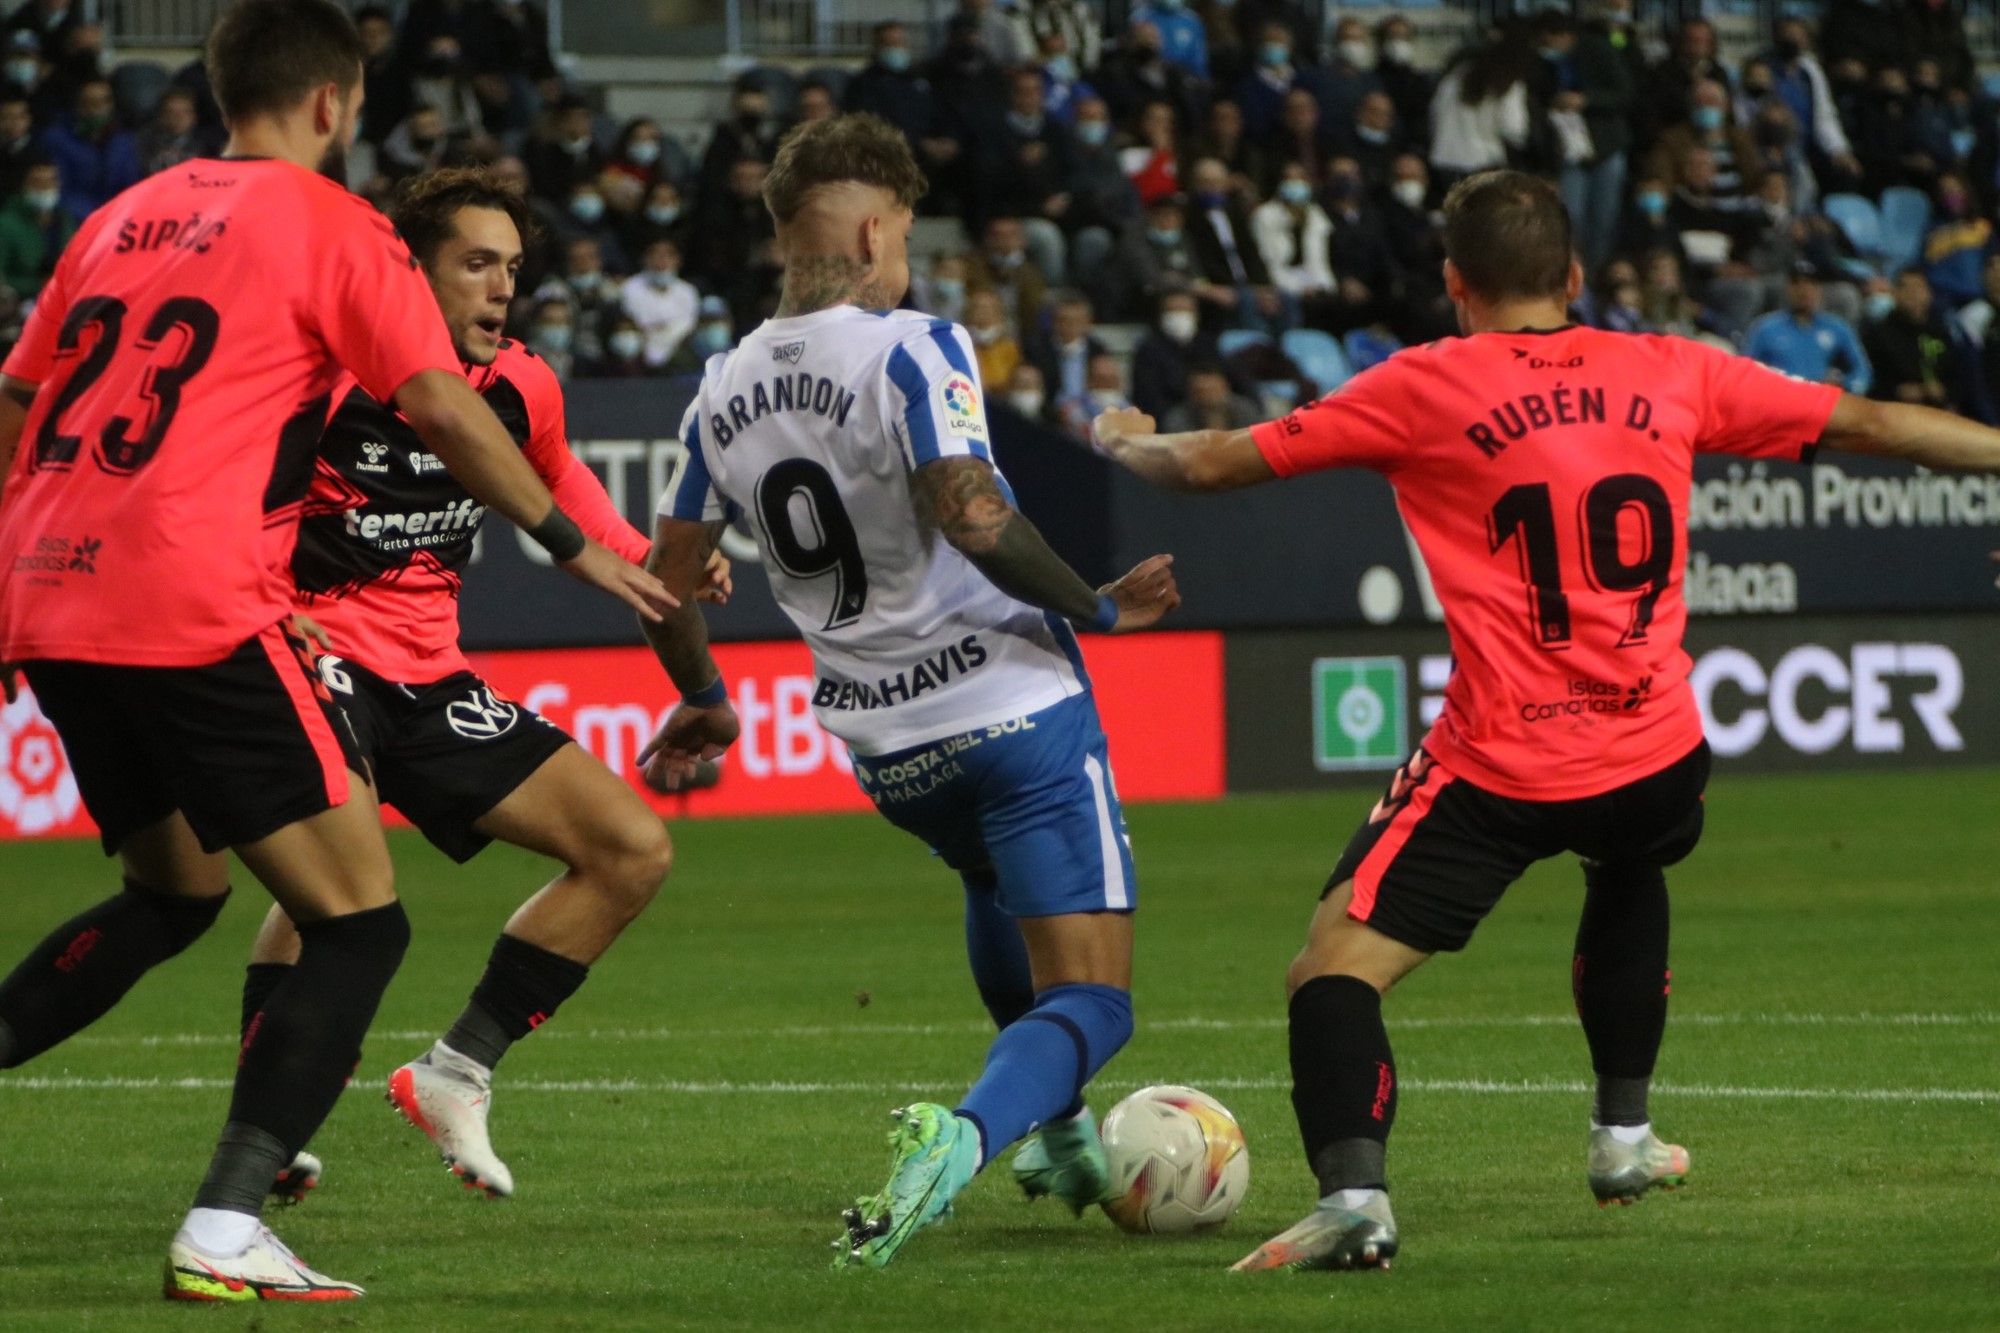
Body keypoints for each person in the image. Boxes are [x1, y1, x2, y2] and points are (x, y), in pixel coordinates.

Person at [1087, 167, 2000, 1271]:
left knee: (1329, 972)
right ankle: (1621, 1134)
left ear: (1451, 283)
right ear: (1572, 275)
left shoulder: (1421, 383)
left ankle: (1354, 1200)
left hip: (1504, 760)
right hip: (1654, 747)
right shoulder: (1669, 367)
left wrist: (1121, 440)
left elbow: (1209, 463)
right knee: (1627, 863)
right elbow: (1874, 422)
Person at [0, 0, 670, 1303]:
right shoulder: (332, 225)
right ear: (331, 104)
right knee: (357, 921)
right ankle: (225, 1220)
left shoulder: (116, 219)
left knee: (177, 891)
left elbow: (22, 393)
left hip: (51, 591)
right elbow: (435, 401)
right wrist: (561, 536)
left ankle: (253, 1176)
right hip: (191, 604)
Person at [643, 113, 1180, 1270]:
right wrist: (1094, 604)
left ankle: (1059, 1128)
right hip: (1011, 711)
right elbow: (974, 514)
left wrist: (708, 696)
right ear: (877, 226)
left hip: (888, 751)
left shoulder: (717, 387)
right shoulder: (910, 345)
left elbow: (667, 581)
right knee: (1098, 1003)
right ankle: (968, 1135)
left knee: (990, 878)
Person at [238, 167, 719, 1202]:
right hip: (316, 659)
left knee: (630, 850)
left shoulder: (521, 384)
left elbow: (564, 492)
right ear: (409, 272)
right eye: (474, 263)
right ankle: (264, 1122)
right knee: (335, 881)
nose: (502, 287)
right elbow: (229, 506)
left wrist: (649, 556)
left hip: (430, 675)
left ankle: (454, 1072)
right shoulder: (318, 380)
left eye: (510, 266)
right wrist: (271, 606)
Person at [1745, 265, 1872, 393]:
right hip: (1778, 399)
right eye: (1796, 283)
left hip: (1819, 402)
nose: (1803, 290)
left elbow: (1862, 370)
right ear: (1787, 289)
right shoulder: (1765, 327)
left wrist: (1846, 387)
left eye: (1811, 283)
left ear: (1819, 289)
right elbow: (1745, 370)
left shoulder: (1836, 327)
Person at [1865, 267, 1967, 412]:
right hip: (1895, 411)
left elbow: (1960, 378)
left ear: (1929, 294)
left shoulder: (1941, 332)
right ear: (1895, 294)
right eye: (1906, 288)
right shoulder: (1878, 335)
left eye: (1919, 287)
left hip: (1940, 412)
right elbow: (1869, 381)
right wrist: (1896, 391)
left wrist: (1945, 392)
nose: (1913, 294)